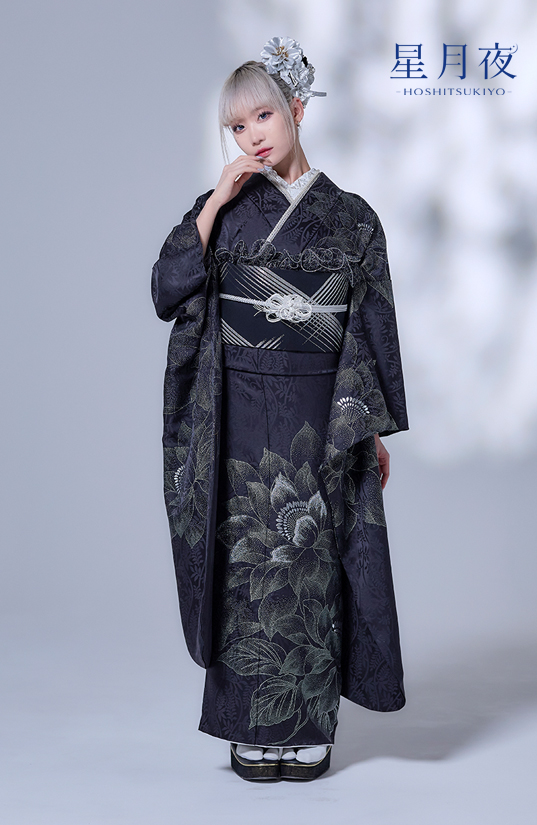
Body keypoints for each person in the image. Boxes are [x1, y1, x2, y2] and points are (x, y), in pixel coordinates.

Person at [151, 36, 408, 782]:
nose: (252, 136)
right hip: (236, 409)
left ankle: (309, 727)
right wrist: (214, 201)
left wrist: (368, 427)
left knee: (312, 561)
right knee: (245, 560)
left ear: (297, 109)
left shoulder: (352, 219)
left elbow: (370, 325)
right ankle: (247, 727)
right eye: (236, 126)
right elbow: (167, 288)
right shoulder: (225, 212)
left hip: (321, 409)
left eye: (263, 115)